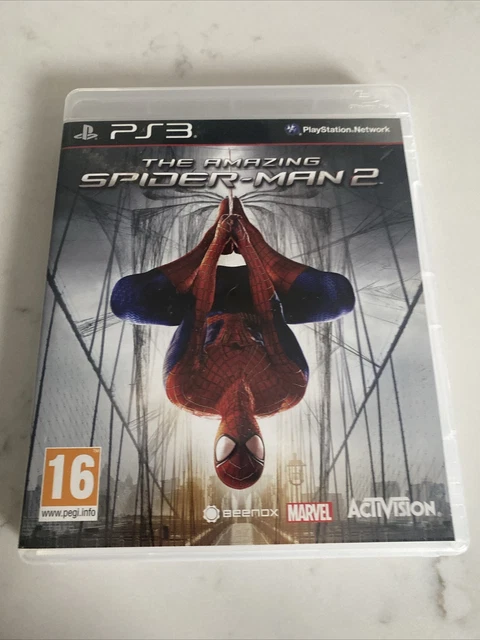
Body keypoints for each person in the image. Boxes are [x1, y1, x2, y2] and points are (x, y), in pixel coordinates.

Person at [111, 197, 355, 490]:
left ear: (216, 445)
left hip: (206, 297)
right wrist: (251, 245)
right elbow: (271, 315)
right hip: (262, 294)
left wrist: (213, 243)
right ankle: (258, 244)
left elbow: (195, 313)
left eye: (228, 449)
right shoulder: (288, 392)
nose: (240, 437)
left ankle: (206, 246)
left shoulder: (186, 393)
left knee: (127, 302)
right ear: (263, 445)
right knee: (338, 298)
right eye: (253, 449)